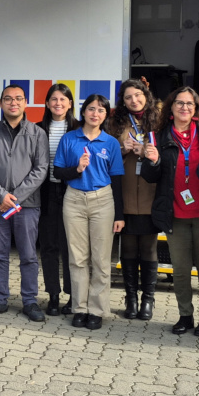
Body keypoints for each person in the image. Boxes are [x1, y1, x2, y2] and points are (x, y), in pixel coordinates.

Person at [142, 87, 199, 337]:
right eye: (179, 103)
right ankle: (185, 315)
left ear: (196, 109)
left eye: (189, 104)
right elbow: (151, 177)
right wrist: (151, 161)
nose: (184, 107)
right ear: (170, 108)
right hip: (175, 213)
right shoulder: (158, 137)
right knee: (181, 269)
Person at [0, 85, 49, 321]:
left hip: (26, 206)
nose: (13, 103)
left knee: (28, 255)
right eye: (8, 99)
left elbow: (41, 170)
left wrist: (15, 197)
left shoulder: (37, 134)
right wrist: (1, 196)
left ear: (25, 103)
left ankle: (29, 302)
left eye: (18, 99)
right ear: (1, 103)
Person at [53, 94, 125, 330]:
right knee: (77, 258)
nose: (96, 114)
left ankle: (97, 309)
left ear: (106, 115)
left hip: (103, 201)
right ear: (83, 112)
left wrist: (119, 215)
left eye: (101, 110)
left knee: (101, 259)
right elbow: (58, 173)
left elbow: (117, 180)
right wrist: (78, 168)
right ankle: (80, 308)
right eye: (92, 109)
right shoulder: (69, 139)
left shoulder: (111, 143)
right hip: (73, 199)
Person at [110, 78, 162, 321]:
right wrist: (123, 149)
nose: (134, 100)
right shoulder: (114, 122)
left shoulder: (160, 120)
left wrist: (148, 152)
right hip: (126, 192)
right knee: (128, 248)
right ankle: (130, 298)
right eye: (128, 97)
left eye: (138, 95)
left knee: (149, 249)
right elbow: (105, 155)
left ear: (146, 95)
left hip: (152, 194)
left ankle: (148, 300)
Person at [37, 83, 77, 316]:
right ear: (47, 103)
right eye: (54, 99)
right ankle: (53, 294)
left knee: (71, 247)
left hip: (72, 192)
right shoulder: (37, 128)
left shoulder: (79, 129)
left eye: (63, 99)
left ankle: (74, 295)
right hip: (45, 193)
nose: (58, 103)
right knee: (49, 247)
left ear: (70, 104)